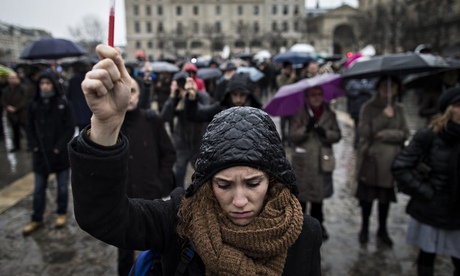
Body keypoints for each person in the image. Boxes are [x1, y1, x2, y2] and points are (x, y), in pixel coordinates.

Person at [69, 44, 322, 275]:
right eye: (224, 185)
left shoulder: (303, 233)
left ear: (273, 180)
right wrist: (105, 125)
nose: (240, 201)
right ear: (207, 184)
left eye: (253, 183)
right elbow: (103, 217)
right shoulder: (180, 221)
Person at [392, 87, 460, 276]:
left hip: (457, 213)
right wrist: (427, 192)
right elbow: (400, 166)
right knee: (426, 258)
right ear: (449, 109)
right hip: (431, 211)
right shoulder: (429, 135)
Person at [117, 77, 176, 276]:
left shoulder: (152, 120)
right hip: (122, 199)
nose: (129, 96)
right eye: (125, 92)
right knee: (124, 250)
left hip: (150, 195)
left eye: (132, 91)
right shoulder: (113, 123)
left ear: (139, 94)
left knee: (151, 250)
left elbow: (169, 153)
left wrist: (160, 182)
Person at [355, 75, 410, 246]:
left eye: (392, 87)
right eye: (385, 87)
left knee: (385, 199)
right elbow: (364, 131)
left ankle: (382, 229)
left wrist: (384, 135)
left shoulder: (399, 108)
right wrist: (382, 118)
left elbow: (404, 133)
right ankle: (364, 227)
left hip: (390, 161)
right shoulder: (368, 107)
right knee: (367, 198)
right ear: (378, 88)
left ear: (397, 89)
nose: (388, 90)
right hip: (371, 159)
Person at [23, 71, 76, 235]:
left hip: (59, 155)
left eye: (48, 83)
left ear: (53, 84)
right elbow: (28, 126)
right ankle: (36, 218)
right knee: (39, 190)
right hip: (40, 155)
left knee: (62, 188)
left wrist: (59, 147)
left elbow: (69, 128)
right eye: (42, 83)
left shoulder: (63, 104)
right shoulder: (33, 105)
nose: (45, 86)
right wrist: (34, 145)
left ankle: (61, 213)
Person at [288, 86, 342, 240]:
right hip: (303, 161)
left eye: (319, 94)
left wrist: (324, 133)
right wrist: (306, 129)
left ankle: (318, 225)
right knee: (302, 197)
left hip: (321, 160)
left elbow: (337, 135)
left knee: (318, 198)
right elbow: (292, 135)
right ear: (307, 97)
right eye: (312, 95)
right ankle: (301, 226)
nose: (316, 98)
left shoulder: (329, 114)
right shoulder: (300, 113)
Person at [161, 72, 210, 189]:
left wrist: (193, 97)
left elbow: (206, 112)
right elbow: (164, 117)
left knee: (202, 174)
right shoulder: (176, 99)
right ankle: (180, 198)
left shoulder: (202, 96)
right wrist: (173, 96)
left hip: (198, 141)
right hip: (181, 142)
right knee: (179, 172)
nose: (184, 90)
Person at [184, 72, 262, 122]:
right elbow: (195, 115)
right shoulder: (220, 110)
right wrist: (192, 97)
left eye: (242, 95)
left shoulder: (258, 114)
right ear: (229, 94)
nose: (238, 99)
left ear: (248, 95)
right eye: (234, 94)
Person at [1, 72, 29, 152]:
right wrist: (7, 107)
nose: (12, 80)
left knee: (26, 130)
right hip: (11, 114)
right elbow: (3, 99)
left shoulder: (22, 88)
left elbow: (24, 100)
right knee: (15, 130)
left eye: (13, 78)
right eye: (10, 78)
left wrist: (16, 108)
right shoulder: (6, 89)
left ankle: (29, 145)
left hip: (21, 113)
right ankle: (16, 145)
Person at [276, 62, 298, 146]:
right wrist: (291, 79)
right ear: (284, 69)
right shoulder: (279, 77)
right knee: (283, 123)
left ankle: (290, 139)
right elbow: (283, 88)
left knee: (291, 123)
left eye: (290, 68)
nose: (289, 70)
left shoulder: (294, 77)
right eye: (288, 68)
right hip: (283, 104)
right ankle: (283, 139)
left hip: (292, 103)